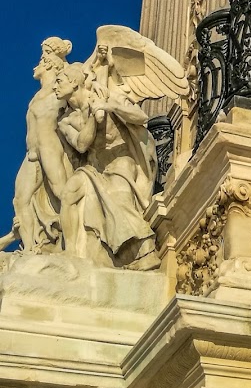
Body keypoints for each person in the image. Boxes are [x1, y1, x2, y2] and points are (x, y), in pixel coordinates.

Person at [55, 63, 159, 270]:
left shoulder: (107, 95)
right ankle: (70, 253)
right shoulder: (66, 121)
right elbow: (82, 145)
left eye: (59, 81)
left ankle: (146, 252)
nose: (54, 87)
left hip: (121, 159)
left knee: (120, 199)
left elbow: (141, 117)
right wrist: (95, 117)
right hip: (94, 166)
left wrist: (110, 106)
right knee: (69, 193)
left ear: (74, 82)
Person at [0, 38, 76, 253]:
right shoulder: (38, 95)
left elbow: (81, 84)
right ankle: (30, 248)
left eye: (41, 60)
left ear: (50, 63)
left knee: (63, 193)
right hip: (32, 152)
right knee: (20, 200)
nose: (36, 65)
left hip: (49, 146)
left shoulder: (60, 88)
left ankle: (76, 242)